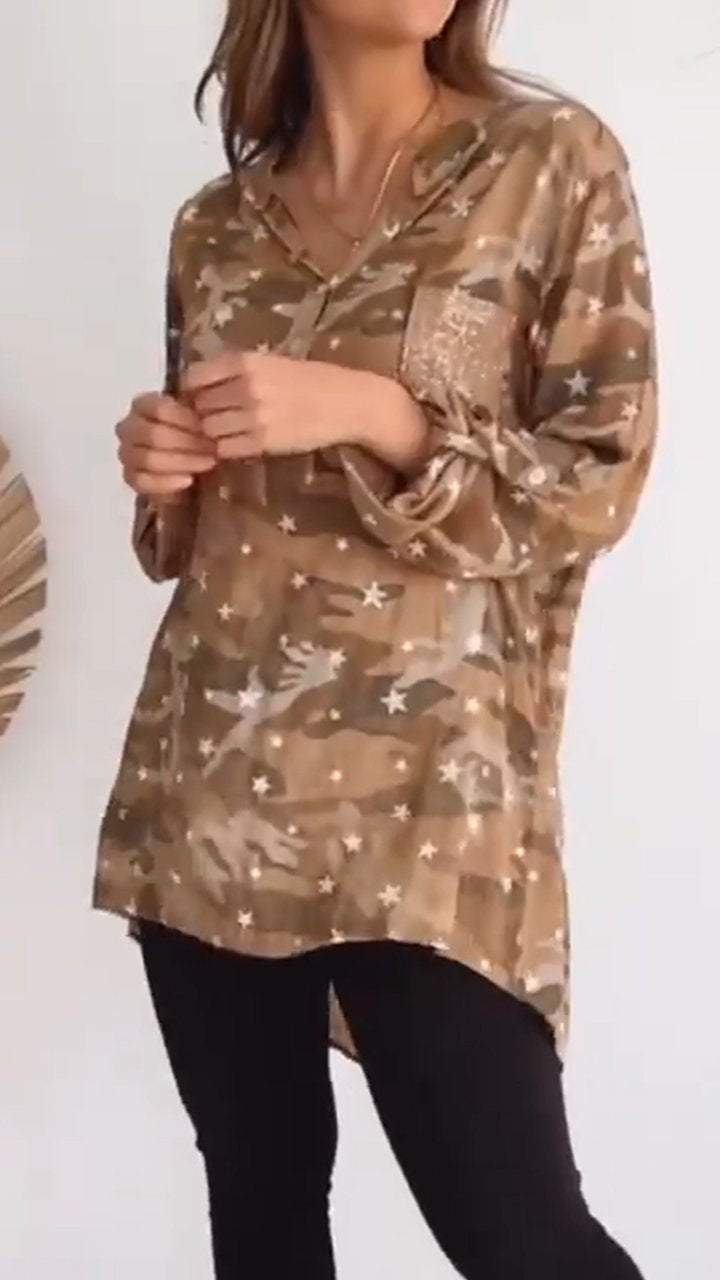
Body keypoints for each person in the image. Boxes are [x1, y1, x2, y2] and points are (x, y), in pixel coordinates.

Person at [91, 1, 658, 1275]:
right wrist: (165, 468)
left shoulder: (549, 163)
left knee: (525, 1239)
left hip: (432, 814)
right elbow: (197, 542)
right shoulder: (215, 226)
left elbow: (598, 482)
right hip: (209, 797)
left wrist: (382, 413)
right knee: (265, 1221)